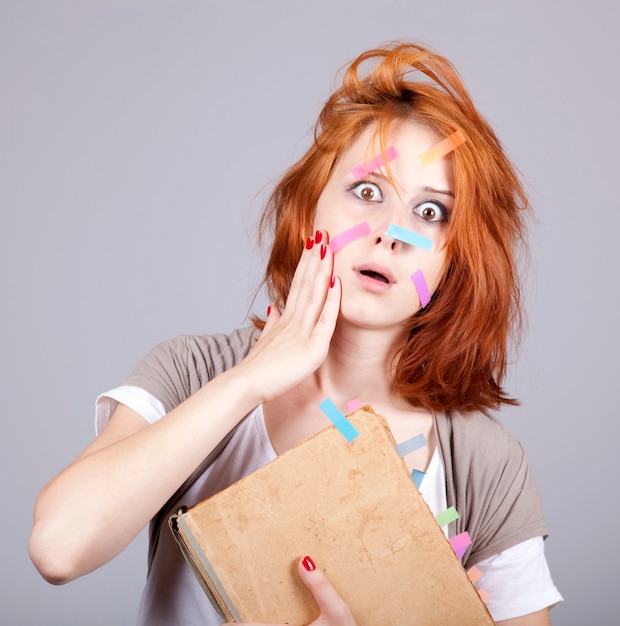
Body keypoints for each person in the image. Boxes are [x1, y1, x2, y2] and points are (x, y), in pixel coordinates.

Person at [29, 42, 563, 625]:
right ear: (310, 207)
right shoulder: (192, 373)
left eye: (431, 213)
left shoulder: (482, 463)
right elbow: (59, 549)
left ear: (455, 261)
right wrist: (249, 381)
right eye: (367, 191)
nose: (391, 233)